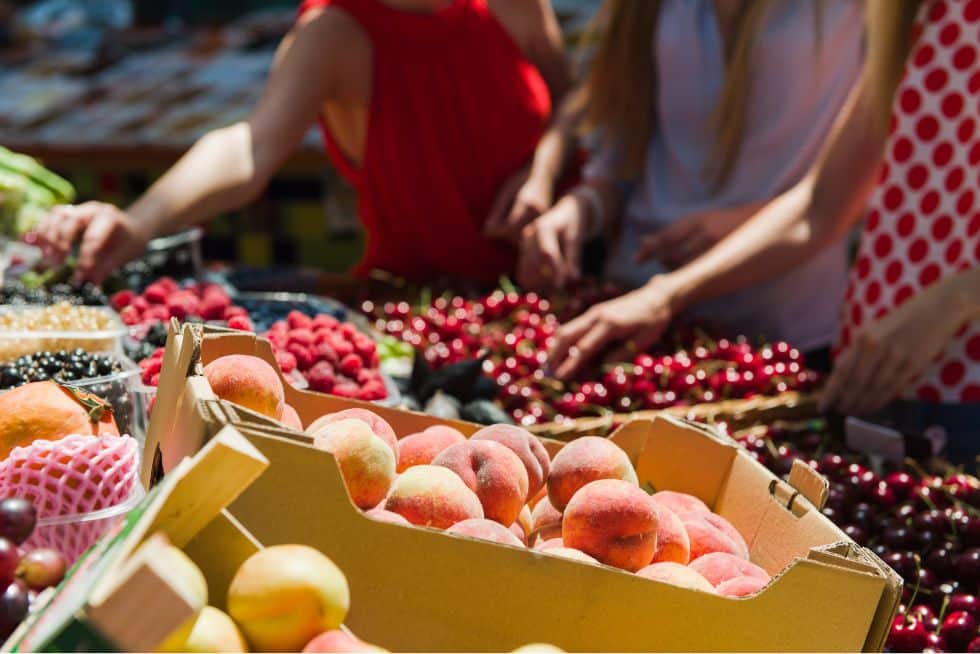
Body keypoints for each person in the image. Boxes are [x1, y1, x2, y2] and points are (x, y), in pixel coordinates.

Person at [555, 0, 978, 466]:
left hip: (961, 388)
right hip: (873, 375)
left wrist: (953, 300)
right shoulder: (914, 11)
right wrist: (667, 293)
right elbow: (821, 206)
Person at [31, 0, 574, 285]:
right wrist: (141, 220)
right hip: (427, 302)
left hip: (566, 277)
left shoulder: (513, 2)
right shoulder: (332, 34)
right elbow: (251, 146)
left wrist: (544, 174)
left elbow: (571, 97)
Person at [519, 0, 866, 380]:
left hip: (777, 334)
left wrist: (744, 224)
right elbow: (623, 154)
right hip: (630, 318)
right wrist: (583, 207)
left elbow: (870, 174)